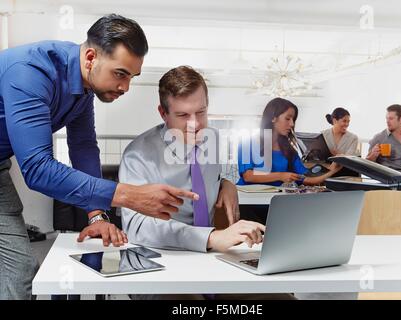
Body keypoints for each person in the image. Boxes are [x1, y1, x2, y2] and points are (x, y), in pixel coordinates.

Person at [0, 14, 197, 300]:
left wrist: (96, 215)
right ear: (91, 56)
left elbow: (83, 147)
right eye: (120, 73)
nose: (125, 87)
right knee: (17, 271)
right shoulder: (29, 72)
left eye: (131, 77)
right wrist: (128, 195)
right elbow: (38, 169)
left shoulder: (84, 87)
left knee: (18, 270)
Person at [120, 66, 294, 300]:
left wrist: (227, 182)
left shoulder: (211, 139)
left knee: (280, 298)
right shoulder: (138, 155)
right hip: (158, 262)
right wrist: (211, 238)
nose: (195, 124)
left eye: (201, 112)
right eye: (183, 115)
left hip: (211, 260)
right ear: (163, 113)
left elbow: (215, 174)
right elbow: (137, 227)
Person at [237, 97, 342, 224]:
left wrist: (332, 170)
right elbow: (248, 176)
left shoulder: (288, 150)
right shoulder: (248, 143)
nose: (292, 124)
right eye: (287, 118)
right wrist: (281, 176)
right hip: (248, 205)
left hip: (274, 206)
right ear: (273, 118)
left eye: (293, 119)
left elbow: (306, 179)